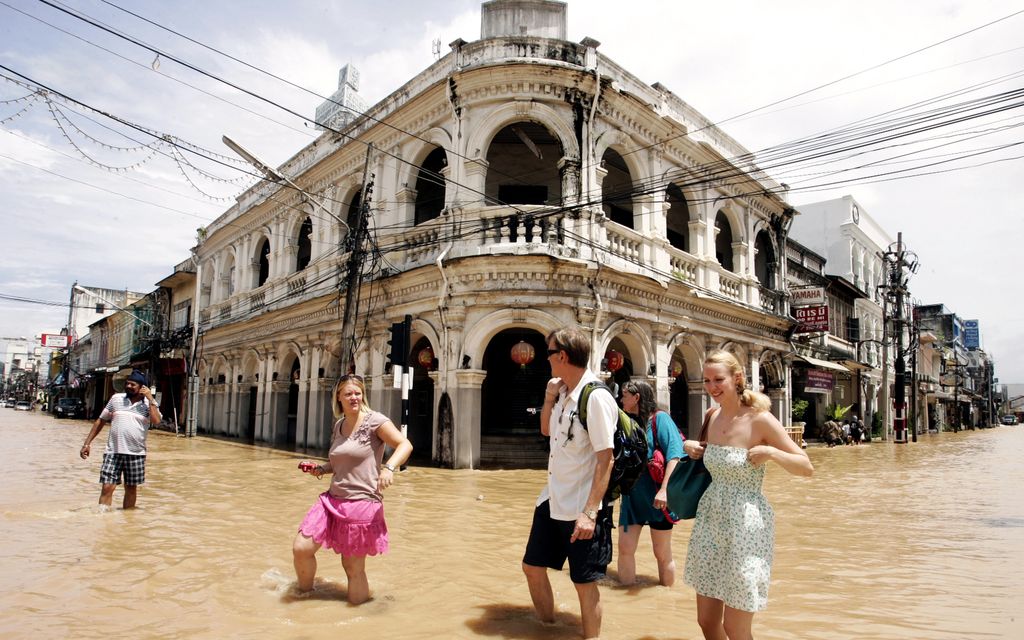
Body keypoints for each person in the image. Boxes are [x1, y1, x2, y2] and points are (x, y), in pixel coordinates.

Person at [683, 350, 813, 640]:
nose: (712, 387)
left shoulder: (760, 419)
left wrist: (771, 452)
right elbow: (711, 456)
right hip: (710, 520)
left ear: (737, 378)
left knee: (736, 627)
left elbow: (806, 467)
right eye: (706, 381)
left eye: (719, 379)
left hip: (747, 524)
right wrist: (693, 448)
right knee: (706, 620)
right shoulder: (711, 415)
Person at [522, 327, 617, 640]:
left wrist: (590, 512)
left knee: (584, 584)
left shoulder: (596, 397)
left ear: (562, 355)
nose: (546, 359)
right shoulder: (563, 392)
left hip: (581, 506)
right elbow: (547, 430)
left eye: (549, 353)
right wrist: (549, 397)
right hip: (551, 498)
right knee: (532, 568)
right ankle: (546, 629)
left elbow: (607, 460)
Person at [293, 374, 412, 605]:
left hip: (361, 503)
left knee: (352, 567)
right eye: (348, 393)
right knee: (301, 548)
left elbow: (405, 444)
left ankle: (358, 616)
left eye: (357, 393)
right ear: (338, 397)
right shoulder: (339, 425)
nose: (354, 397)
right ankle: (304, 597)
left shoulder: (375, 421)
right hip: (331, 499)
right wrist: (320, 469)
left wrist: (388, 468)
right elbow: (341, 462)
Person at [617, 380, 697, 586]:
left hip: (657, 499)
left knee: (661, 552)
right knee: (625, 549)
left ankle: (667, 595)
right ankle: (625, 596)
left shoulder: (660, 420)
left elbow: (675, 456)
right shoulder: (626, 421)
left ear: (637, 398)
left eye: (624, 395)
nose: (621, 399)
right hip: (631, 498)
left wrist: (664, 491)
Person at [79, 369, 162, 509]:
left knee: (130, 488)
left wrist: (151, 399)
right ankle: (102, 517)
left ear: (142, 388)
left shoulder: (149, 405)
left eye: (132, 384)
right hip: (113, 452)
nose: (128, 386)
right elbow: (100, 421)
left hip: (136, 454)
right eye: (127, 383)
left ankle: (127, 519)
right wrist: (87, 443)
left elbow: (156, 421)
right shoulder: (116, 399)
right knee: (107, 487)